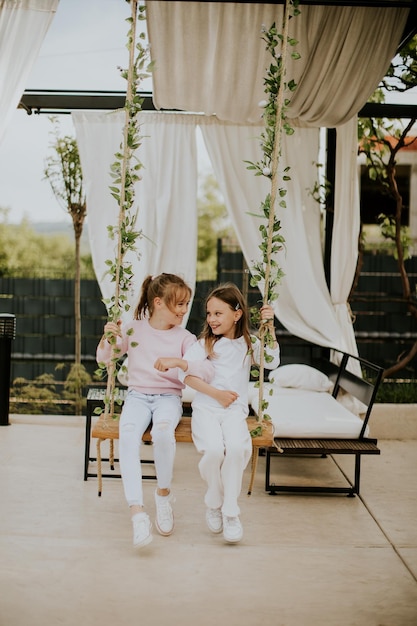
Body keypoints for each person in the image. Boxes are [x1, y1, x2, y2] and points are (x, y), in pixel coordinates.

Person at [154, 282, 280, 544]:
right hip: (207, 409)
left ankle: (230, 511)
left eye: (218, 313)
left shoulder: (248, 344)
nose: (211, 319)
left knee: (235, 449)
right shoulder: (204, 344)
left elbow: (272, 360)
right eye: (209, 313)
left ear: (237, 314)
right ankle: (214, 501)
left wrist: (270, 327)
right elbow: (186, 375)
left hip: (234, 412)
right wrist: (217, 395)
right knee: (213, 451)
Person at [96, 273, 213, 550]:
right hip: (137, 396)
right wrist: (108, 338)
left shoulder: (185, 338)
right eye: (179, 304)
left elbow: (207, 371)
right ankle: (137, 513)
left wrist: (180, 363)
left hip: (168, 399)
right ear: (158, 302)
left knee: (162, 434)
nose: (185, 310)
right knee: (127, 437)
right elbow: (105, 358)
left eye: (186, 304)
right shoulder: (134, 329)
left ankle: (163, 495)